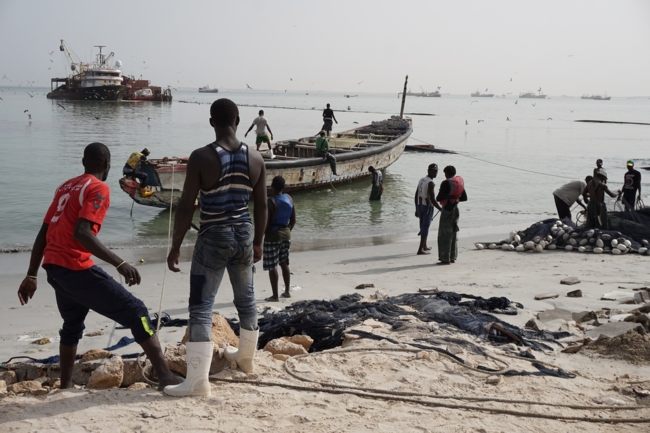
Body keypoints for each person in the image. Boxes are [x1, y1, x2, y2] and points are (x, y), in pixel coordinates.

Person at [17, 142, 180, 391]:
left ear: (84, 163)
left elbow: (44, 232)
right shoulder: (99, 188)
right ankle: (165, 377)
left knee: (72, 324)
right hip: (75, 268)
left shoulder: (65, 187)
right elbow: (83, 233)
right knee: (137, 312)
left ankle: (66, 385)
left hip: (54, 269)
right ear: (107, 165)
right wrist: (120, 262)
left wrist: (32, 273)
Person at [164, 99, 267, 397]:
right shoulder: (256, 158)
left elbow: (186, 206)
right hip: (245, 235)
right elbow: (261, 205)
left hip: (213, 236)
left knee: (200, 306)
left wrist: (175, 246)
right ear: (237, 119)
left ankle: (197, 382)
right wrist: (258, 240)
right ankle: (246, 359)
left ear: (212, 122)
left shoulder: (201, 157)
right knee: (246, 299)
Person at [263, 176, 296, 302]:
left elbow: (266, 223)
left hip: (273, 236)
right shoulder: (289, 198)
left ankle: (275, 295)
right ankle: (287, 291)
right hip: (286, 234)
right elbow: (293, 220)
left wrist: (261, 236)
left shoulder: (270, 202)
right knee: (284, 263)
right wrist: (287, 231)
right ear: (284, 187)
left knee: (272, 266)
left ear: (272, 186)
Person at [435, 166, 468, 265]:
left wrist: (447, 197)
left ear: (447, 174)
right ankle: (452, 257)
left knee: (444, 234)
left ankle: (445, 258)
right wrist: (455, 198)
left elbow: (438, 198)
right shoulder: (459, 183)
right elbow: (464, 198)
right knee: (453, 233)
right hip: (455, 209)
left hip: (447, 210)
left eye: (445, 173)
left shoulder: (445, 183)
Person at [414, 164, 442, 255]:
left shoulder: (421, 180)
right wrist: (440, 209)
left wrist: (416, 208)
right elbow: (433, 199)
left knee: (422, 226)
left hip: (420, 206)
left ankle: (424, 246)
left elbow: (416, 195)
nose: (435, 173)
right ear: (428, 171)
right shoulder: (431, 183)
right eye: (433, 171)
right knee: (425, 228)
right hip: (427, 208)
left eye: (436, 171)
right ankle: (420, 250)